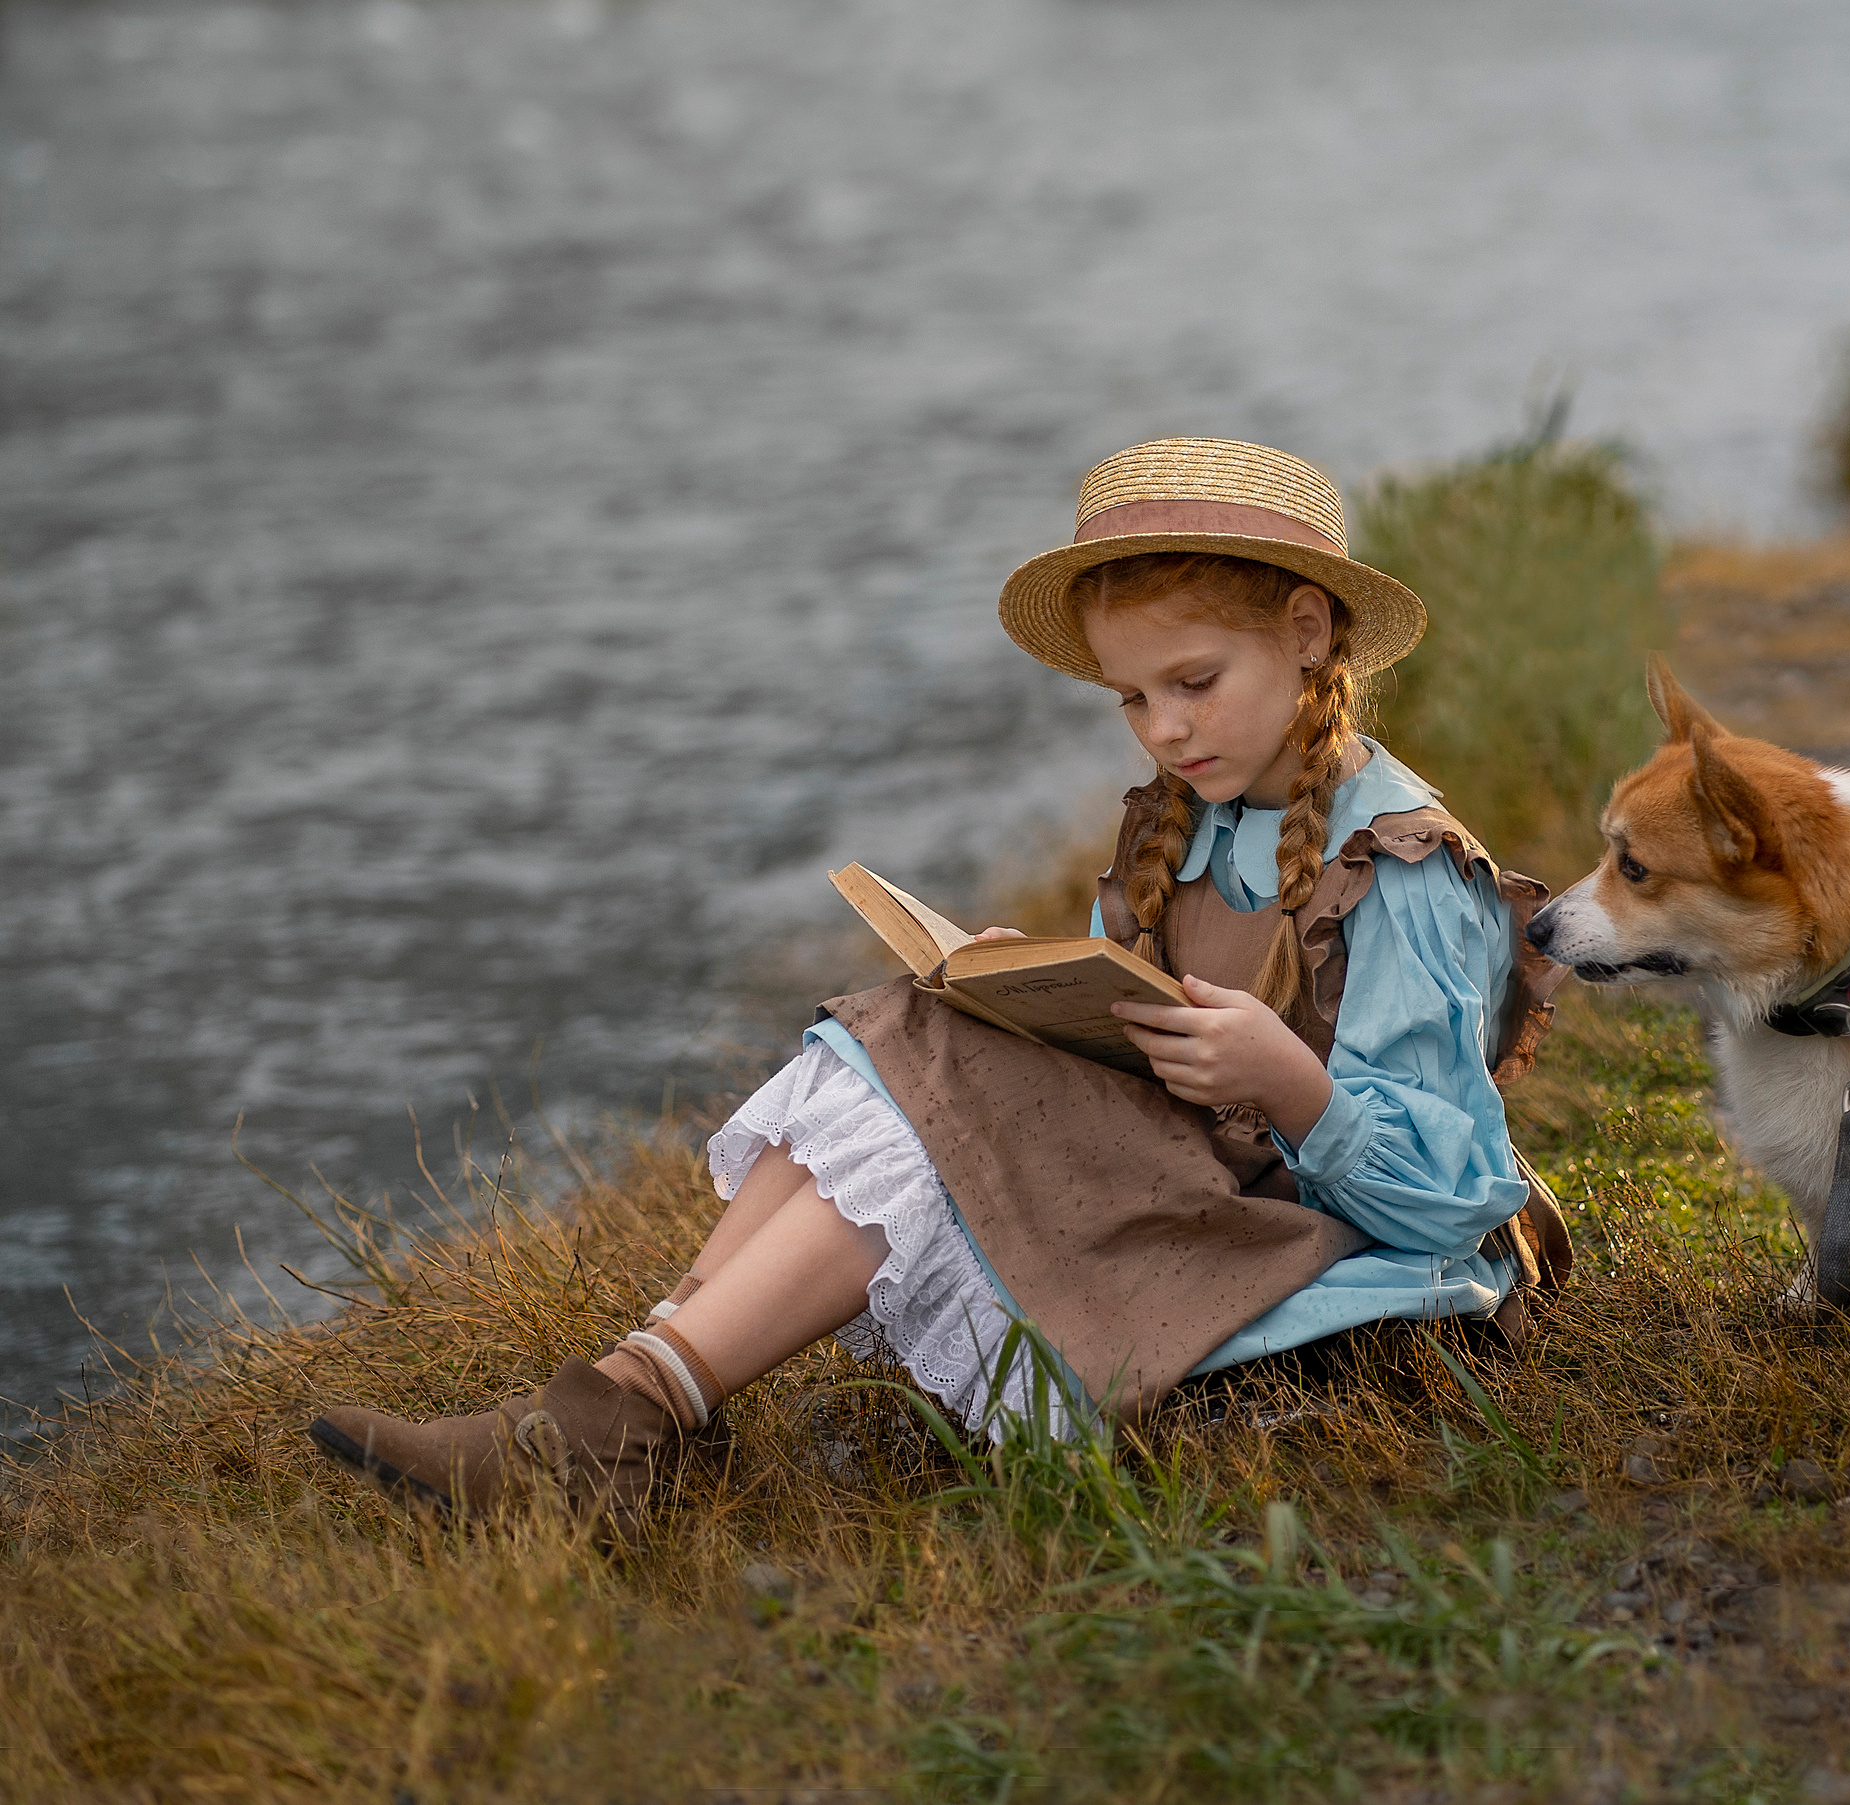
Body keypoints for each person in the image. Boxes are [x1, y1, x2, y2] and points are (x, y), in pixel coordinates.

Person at [309, 438, 1567, 1531]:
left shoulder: (1401, 869)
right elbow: (1137, 1044)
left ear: (1305, 631)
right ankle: (623, 1401)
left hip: (1342, 1256)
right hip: (1209, 1184)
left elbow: (1453, 1200)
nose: (1165, 729)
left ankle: (621, 1421)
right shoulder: (1188, 816)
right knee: (922, 1020)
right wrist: (1038, 986)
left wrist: (1291, 1085)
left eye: (1193, 683)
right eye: (1132, 698)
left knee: (955, 1071)